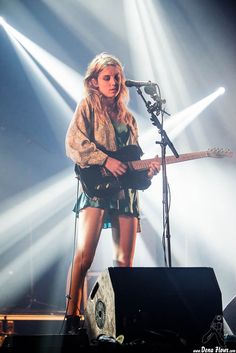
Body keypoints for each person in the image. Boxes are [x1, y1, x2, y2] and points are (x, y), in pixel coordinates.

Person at [64, 52, 161, 332]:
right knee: (85, 254)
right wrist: (105, 159)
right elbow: (73, 143)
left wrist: (148, 170)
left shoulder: (128, 117)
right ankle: (73, 318)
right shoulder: (87, 107)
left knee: (125, 261)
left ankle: (121, 320)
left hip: (126, 190)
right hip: (96, 184)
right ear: (94, 81)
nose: (114, 82)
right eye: (107, 77)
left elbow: (133, 159)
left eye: (117, 77)